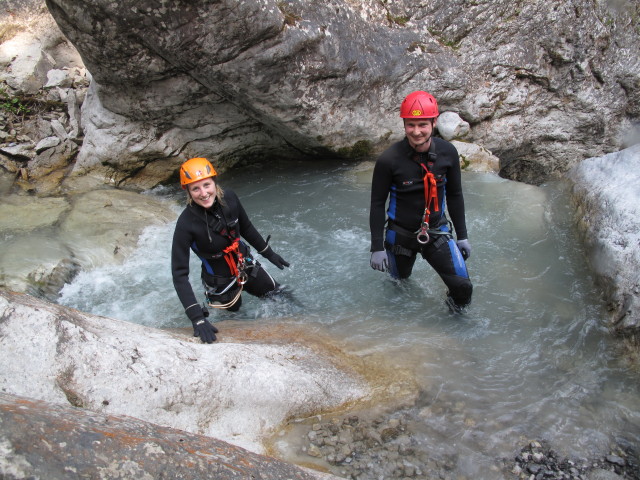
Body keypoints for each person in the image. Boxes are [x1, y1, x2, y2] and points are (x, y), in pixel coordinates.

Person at [369, 91, 473, 313]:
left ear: (434, 123)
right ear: (404, 124)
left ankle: (454, 330)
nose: (416, 132)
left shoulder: (448, 153)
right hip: (400, 236)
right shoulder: (389, 160)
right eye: (411, 125)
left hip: (436, 231)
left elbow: (455, 195)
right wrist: (376, 247)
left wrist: (462, 236)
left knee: (463, 287)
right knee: (399, 286)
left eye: (423, 125)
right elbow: (377, 204)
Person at [171, 157, 290, 343]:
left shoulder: (230, 198)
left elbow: (246, 228)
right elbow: (179, 273)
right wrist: (197, 318)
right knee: (236, 318)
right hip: (220, 282)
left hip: (246, 265)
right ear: (187, 190)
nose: (203, 193)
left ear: (214, 181)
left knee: (282, 296)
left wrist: (268, 252)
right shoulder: (186, 224)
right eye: (195, 188)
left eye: (206, 185)